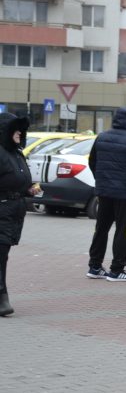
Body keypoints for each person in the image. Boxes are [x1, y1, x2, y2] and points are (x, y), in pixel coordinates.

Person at [86, 107, 126, 282]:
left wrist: (101, 179)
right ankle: (117, 269)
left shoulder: (101, 137)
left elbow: (92, 161)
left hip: (104, 191)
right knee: (124, 231)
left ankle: (95, 266)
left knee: (101, 228)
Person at [0, 113, 40, 317]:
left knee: (3, 255)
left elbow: (18, 179)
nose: (19, 133)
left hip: (13, 212)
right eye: (15, 129)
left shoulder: (16, 153)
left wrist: (28, 189)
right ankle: (2, 298)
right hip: (3, 210)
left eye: (21, 130)